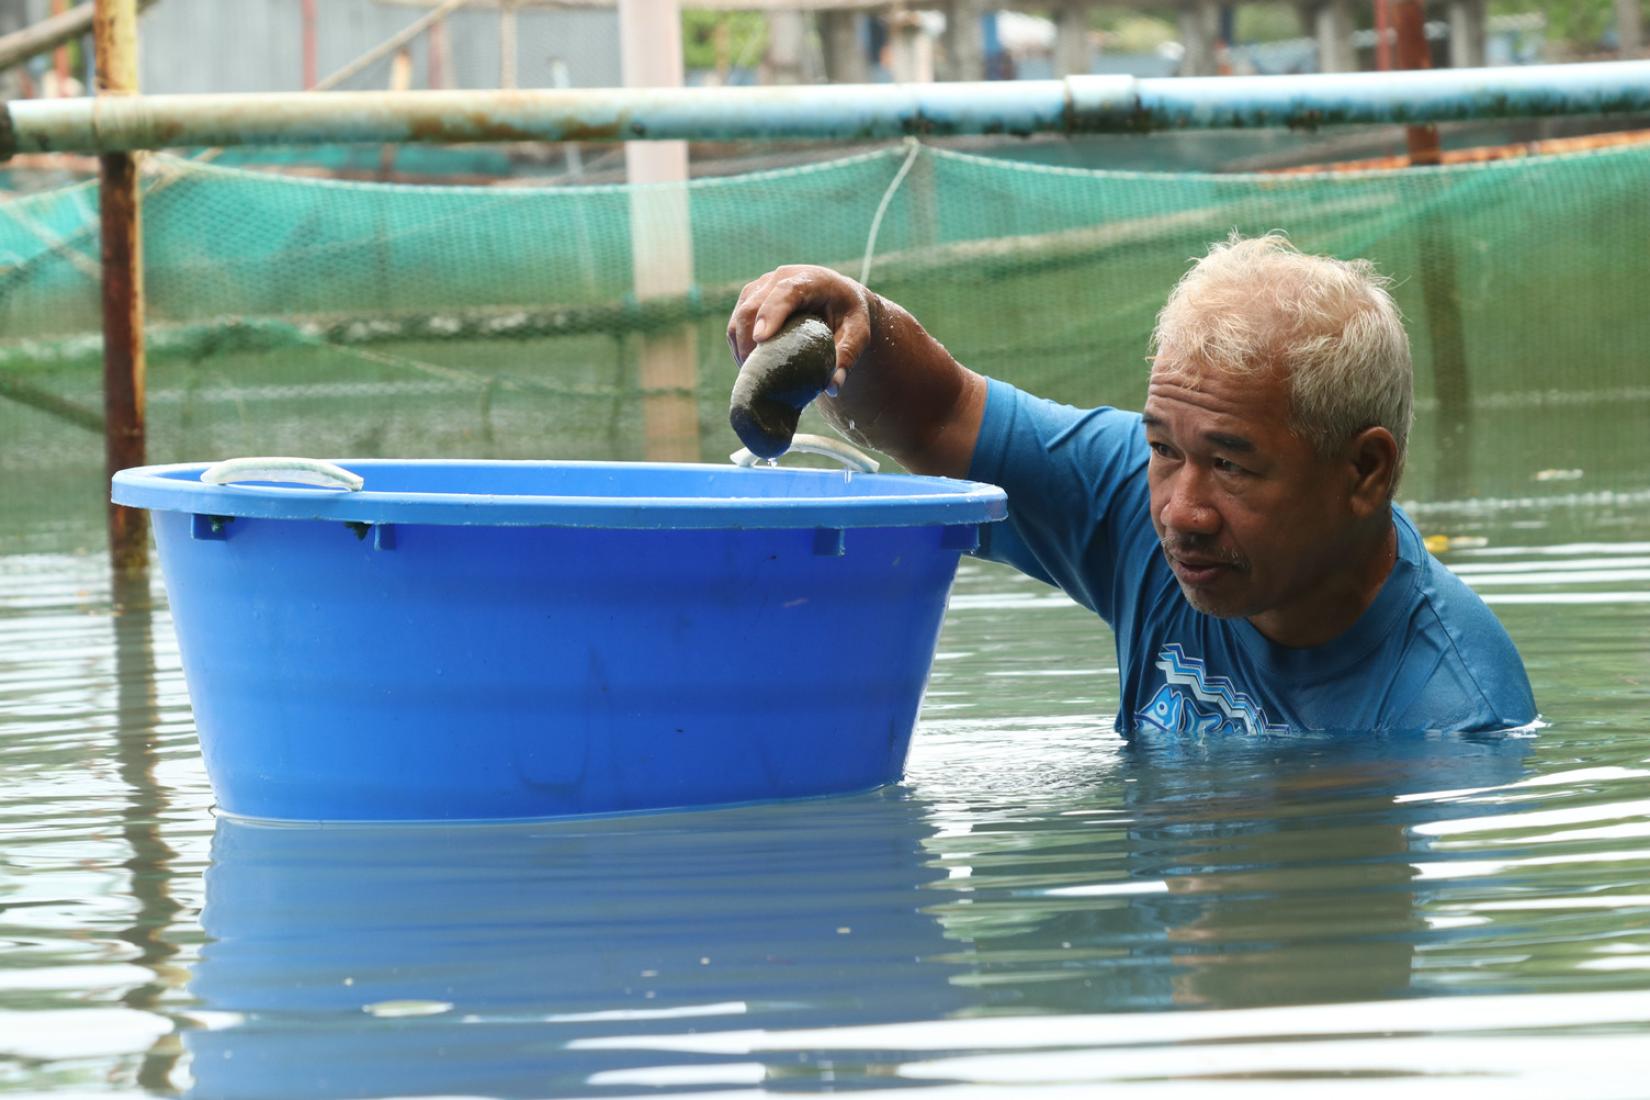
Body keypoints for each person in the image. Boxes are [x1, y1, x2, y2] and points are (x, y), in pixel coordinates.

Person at [727, 234, 1536, 736]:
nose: (1180, 511)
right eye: (1163, 448)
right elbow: (938, 416)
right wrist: (855, 321)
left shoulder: (1449, 717)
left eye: (1232, 464)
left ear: (1364, 472)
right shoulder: (1133, 498)